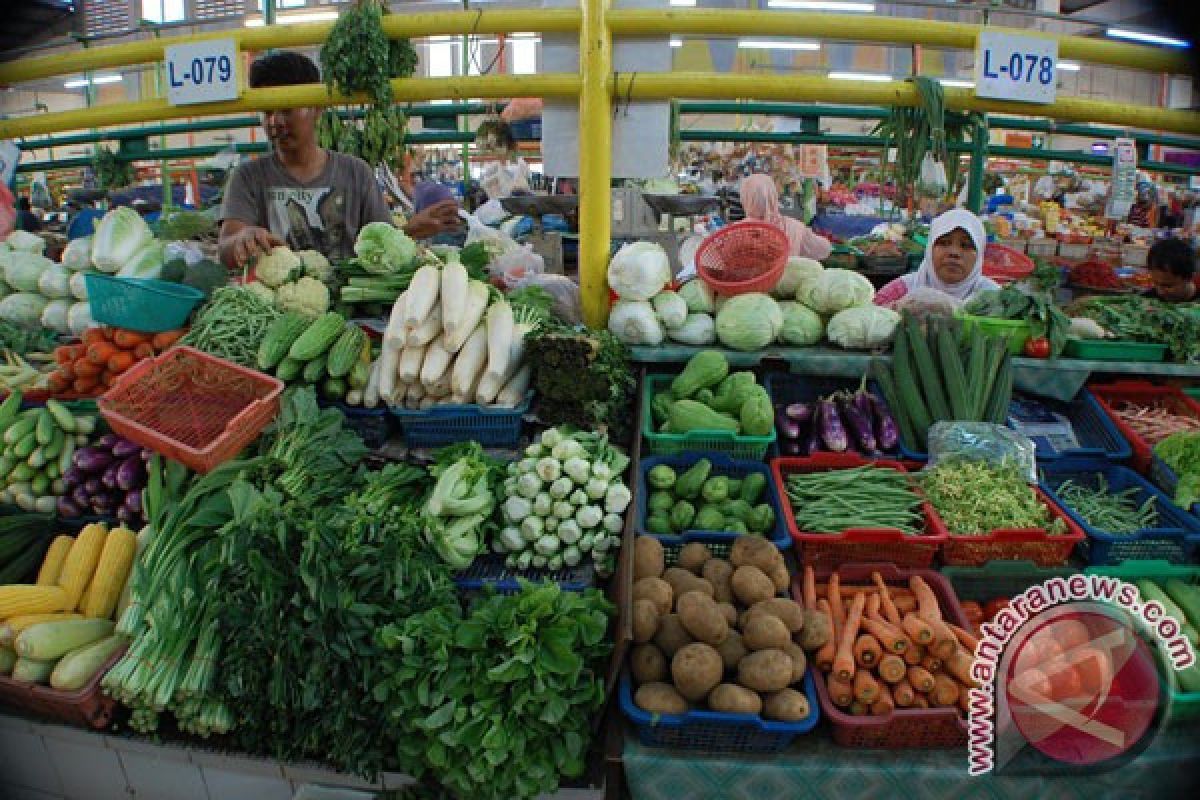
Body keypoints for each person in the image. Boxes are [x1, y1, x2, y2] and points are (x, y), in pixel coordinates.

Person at [218, 51, 460, 268]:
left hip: (350, 307)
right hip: (275, 310)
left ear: (317, 108)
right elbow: (226, 247)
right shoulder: (248, 177)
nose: (274, 122)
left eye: (286, 109)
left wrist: (411, 230)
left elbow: (380, 243)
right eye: (267, 112)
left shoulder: (356, 173)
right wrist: (241, 239)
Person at [875, 208, 998, 310]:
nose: (954, 253)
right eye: (944, 243)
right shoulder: (901, 290)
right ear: (930, 249)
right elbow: (873, 311)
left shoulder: (995, 297)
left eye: (966, 245)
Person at [738, 173, 831, 260]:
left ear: (745, 200)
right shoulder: (795, 228)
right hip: (787, 277)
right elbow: (824, 250)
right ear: (774, 196)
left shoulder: (736, 232)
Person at [1144, 237, 1197, 303]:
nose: (1160, 292)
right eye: (1155, 283)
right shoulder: (1146, 300)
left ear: (1190, 277)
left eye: (1168, 286)